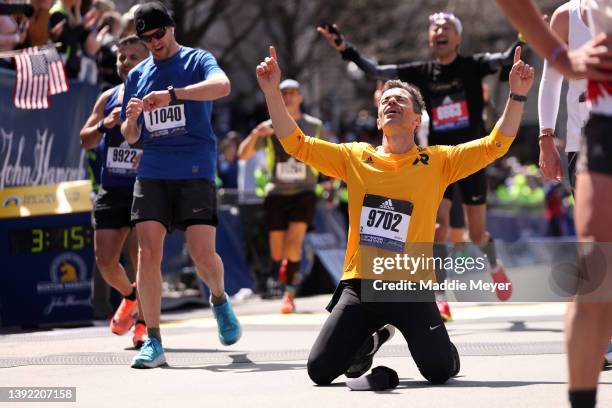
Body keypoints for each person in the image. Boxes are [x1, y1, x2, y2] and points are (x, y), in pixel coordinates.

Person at [255, 44, 534, 385]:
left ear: (417, 119)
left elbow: (496, 144)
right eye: (386, 100)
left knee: (439, 372)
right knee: (320, 370)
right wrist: (272, 93)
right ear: (377, 120)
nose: (391, 102)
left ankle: (431, 346)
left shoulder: (438, 161)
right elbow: (296, 143)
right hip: (361, 285)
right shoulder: (354, 157)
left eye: (400, 99)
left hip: (410, 285)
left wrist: (517, 96)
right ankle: (370, 338)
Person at [318, 13, 517, 321]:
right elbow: (376, 70)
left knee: (476, 235)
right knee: (438, 228)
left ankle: (493, 265)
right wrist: (346, 48)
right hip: (438, 161)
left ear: (457, 38)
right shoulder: (421, 72)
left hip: (467, 157)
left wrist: (526, 35)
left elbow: (507, 58)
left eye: (447, 28)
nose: (439, 32)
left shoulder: (473, 65)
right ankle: (439, 296)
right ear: (429, 39)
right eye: (434, 28)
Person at [496, 1, 612, 407]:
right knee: (597, 259)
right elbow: (551, 81)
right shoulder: (569, 14)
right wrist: (546, 135)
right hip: (599, 132)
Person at [120, 2, 241, 369]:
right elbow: (130, 136)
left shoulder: (196, 59)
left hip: (194, 168)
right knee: (148, 254)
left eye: (158, 34)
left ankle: (219, 299)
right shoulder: (137, 75)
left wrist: (174, 95)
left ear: (171, 28)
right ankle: (153, 339)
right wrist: (133, 120)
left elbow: (222, 85)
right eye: (146, 38)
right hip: (153, 170)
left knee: (203, 255)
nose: (154, 42)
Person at [80, 35, 150, 348]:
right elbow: (85, 139)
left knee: (142, 259)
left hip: (145, 187)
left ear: (146, 60)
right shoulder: (108, 96)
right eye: (122, 57)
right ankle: (131, 296)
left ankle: (146, 325)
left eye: (133, 57)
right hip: (112, 187)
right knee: (105, 261)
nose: (125, 63)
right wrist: (105, 125)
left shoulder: (155, 95)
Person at [238, 78, 323, 313]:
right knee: (278, 251)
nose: (288, 97)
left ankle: (289, 294)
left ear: (301, 97)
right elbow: (242, 155)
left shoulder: (313, 125)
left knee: (294, 242)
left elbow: (329, 153)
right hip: (277, 192)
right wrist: (256, 133)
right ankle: (286, 267)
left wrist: (331, 181)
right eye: (283, 93)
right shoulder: (268, 126)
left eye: (293, 93)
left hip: (304, 191)